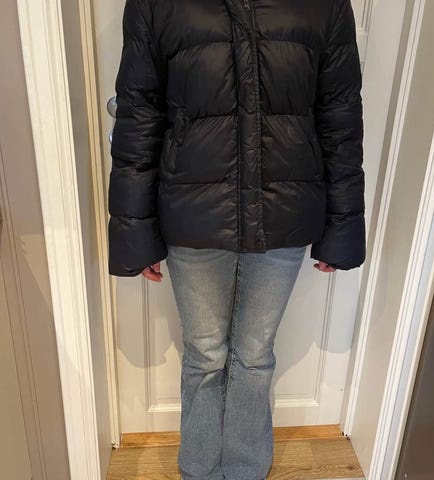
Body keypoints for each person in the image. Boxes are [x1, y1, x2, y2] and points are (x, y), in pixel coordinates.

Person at [107, 0, 366, 479]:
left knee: (255, 355)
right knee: (205, 355)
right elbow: (138, 115)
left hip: (285, 210)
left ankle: (247, 470)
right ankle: (199, 471)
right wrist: (135, 231)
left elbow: (340, 117)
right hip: (193, 214)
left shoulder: (325, 5)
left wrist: (343, 226)